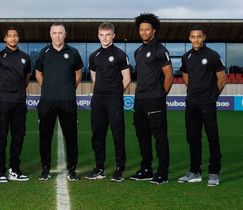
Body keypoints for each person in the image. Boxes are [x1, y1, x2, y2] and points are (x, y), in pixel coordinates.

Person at [178, 25, 226, 187]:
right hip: (192, 102)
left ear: (204, 37)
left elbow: (222, 78)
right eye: (193, 36)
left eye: (199, 36)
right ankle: (194, 171)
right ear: (189, 38)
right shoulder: (186, 57)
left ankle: (214, 172)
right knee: (192, 137)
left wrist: (213, 97)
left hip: (208, 102)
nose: (196, 39)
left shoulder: (212, 55)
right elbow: (185, 74)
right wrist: (192, 89)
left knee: (212, 137)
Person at [35, 22, 83, 182]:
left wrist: (69, 88)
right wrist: (48, 88)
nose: (57, 36)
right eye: (54, 33)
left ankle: (72, 169)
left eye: (60, 33)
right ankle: (45, 168)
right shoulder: (44, 52)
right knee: (45, 136)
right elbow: (38, 73)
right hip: (47, 101)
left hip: (68, 101)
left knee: (71, 137)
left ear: (65, 34)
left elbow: (78, 74)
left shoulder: (74, 53)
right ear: (50, 35)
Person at [129, 13, 173, 185]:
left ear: (154, 30)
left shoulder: (160, 50)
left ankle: (162, 173)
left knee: (160, 137)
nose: (144, 32)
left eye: (147, 29)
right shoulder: (138, 51)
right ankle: (146, 169)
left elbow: (168, 76)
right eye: (141, 29)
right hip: (139, 100)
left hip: (155, 100)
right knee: (143, 137)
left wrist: (161, 96)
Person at [85, 22, 131, 182]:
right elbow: (94, 78)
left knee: (118, 134)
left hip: (114, 100)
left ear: (113, 35)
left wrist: (117, 95)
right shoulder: (94, 56)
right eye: (102, 35)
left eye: (108, 34)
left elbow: (127, 78)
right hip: (98, 100)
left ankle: (120, 168)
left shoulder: (120, 55)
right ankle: (99, 168)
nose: (104, 38)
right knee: (97, 135)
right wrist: (100, 91)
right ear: (98, 36)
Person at [0, 26, 31, 183]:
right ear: (5, 39)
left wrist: (19, 92)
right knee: (1, 137)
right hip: (4, 103)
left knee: (18, 137)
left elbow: (26, 78)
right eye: (10, 36)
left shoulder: (25, 57)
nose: (13, 38)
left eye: (15, 36)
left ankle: (14, 169)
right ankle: (0, 170)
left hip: (20, 103)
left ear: (18, 38)